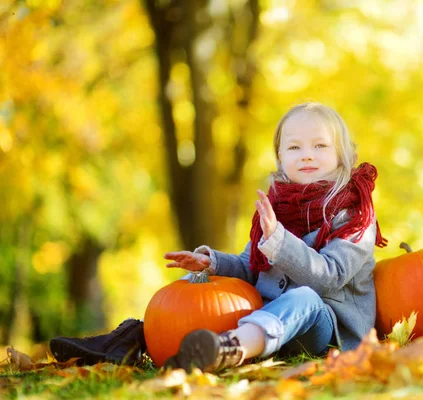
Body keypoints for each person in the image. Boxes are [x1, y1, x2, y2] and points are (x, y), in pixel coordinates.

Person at [50, 101, 387, 372]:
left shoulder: (355, 216)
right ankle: (128, 342)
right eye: (295, 147)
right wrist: (212, 263)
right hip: (265, 317)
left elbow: (329, 279)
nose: (307, 154)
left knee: (304, 299)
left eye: (320, 145)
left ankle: (229, 349)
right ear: (281, 157)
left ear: (343, 155)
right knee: (194, 290)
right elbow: (248, 268)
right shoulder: (277, 209)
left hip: (323, 329)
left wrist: (280, 241)